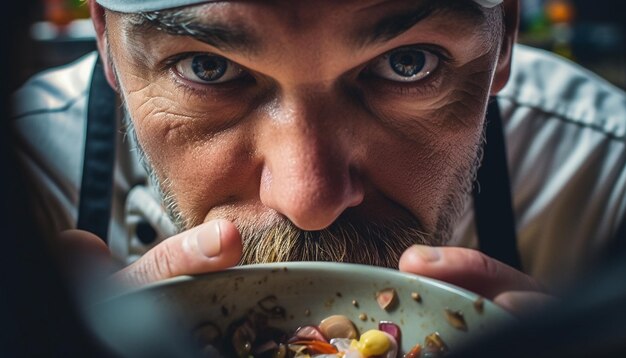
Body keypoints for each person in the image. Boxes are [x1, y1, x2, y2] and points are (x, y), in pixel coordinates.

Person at [11, 0, 626, 315]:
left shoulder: (605, 183)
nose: (309, 202)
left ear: (505, 41)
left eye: (407, 63)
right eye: (210, 68)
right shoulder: (24, 182)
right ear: (107, 45)